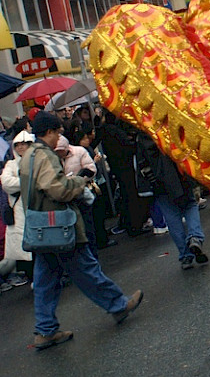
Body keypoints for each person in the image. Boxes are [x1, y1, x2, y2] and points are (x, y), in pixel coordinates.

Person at [21, 111, 143, 350]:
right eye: (57, 132)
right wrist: (78, 181)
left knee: (46, 279)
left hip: (42, 229)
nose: (59, 137)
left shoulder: (29, 156)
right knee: (85, 269)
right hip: (59, 226)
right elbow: (59, 190)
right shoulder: (45, 156)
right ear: (48, 132)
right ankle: (118, 305)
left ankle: (45, 330)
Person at [136, 131, 208, 269]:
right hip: (181, 176)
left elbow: (142, 163)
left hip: (160, 182)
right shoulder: (168, 125)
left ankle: (185, 255)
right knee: (190, 205)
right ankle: (195, 237)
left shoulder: (143, 135)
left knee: (171, 216)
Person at [0, 130, 34, 287]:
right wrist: (26, 181)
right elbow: (6, 183)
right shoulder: (11, 164)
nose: (21, 148)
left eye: (24, 144)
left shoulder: (37, 161)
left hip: (37, 208)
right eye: (17, 145)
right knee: (25, 249)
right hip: (19, 212)